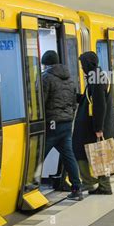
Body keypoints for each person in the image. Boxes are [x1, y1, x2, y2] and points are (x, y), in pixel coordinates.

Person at [72, 51, 114, 195]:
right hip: (93, 125)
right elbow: (90, 100)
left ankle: (90, 182)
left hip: (92, 126)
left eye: (82, 64)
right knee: (100, 153)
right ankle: (103, 185)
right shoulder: (97, 76)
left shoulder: (96, 78)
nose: (81, 67)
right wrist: (76, 97)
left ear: (87, 64)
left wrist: (98, 128)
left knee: (81, 151)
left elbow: (99, 105)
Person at [41, 50, 83, 201]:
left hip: (52, 123)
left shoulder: (46, 78)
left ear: (46, 64)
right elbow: (73, 103)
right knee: (68, 155)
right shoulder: (69, 78)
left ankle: (29, 186)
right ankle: (77, 189)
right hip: (66, 123)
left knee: (38, 155)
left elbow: (41, 101)